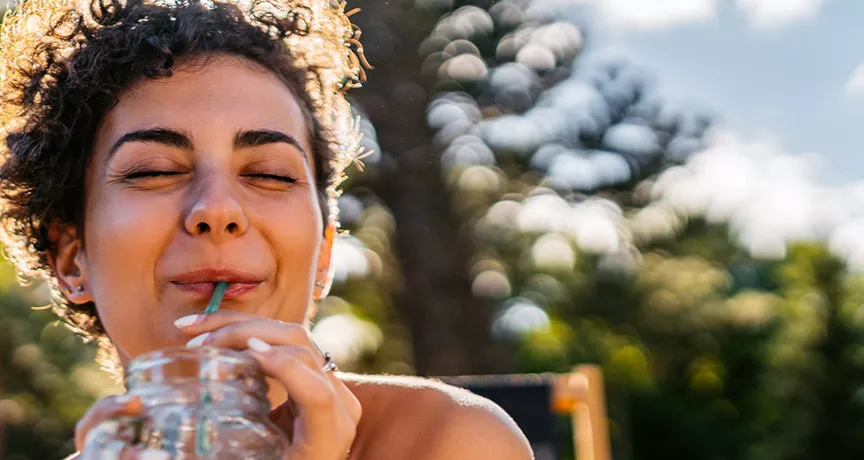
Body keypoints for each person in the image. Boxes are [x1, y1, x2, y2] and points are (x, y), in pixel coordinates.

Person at [0, 0, 534, 458]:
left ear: (324, 254)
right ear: (70, 259)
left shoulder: (444, 440)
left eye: (269, 174)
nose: (217, 209)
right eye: (155, 171)